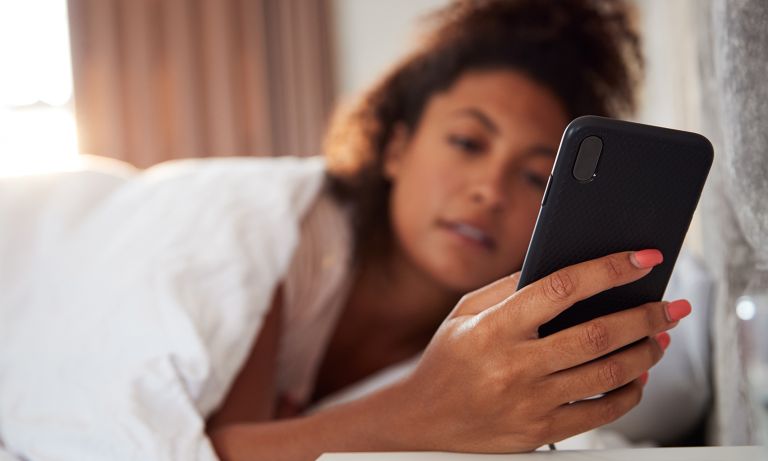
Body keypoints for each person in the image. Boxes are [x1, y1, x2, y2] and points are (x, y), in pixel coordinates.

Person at [0, 1, 700, 461]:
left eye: (534, 176)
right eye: (466, 142)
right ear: (395, 148)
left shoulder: (483, 351)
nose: (488, 188)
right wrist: (419, 412)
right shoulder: (273, 235)